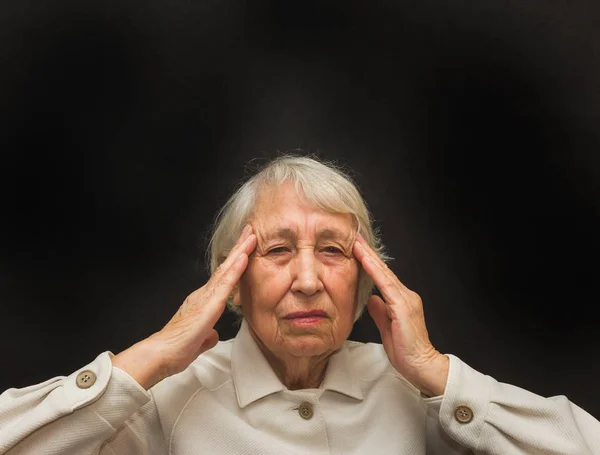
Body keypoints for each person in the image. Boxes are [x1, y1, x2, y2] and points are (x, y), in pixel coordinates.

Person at [0, 154, 598, 455]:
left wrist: (440, 374)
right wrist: (151, 356)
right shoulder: (168, 399)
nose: (308, 279)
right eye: (278, 250)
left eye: (334, 251)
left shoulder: (415, 394)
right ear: (231, 283)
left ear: (368, 279)